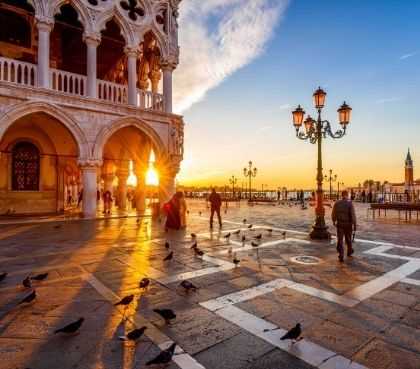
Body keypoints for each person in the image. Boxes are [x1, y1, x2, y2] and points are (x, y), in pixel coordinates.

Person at [332, 190, 357, 262]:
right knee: (348, 239)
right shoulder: (350, 203)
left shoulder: (337, 203)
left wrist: (334, 221)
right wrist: (354, 225)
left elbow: (333, 213)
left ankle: (341, 254)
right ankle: (349, 251)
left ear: (341, 195)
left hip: (340, 224)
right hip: (348, 224)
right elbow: (353, 215)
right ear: (347, 195)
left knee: (340, 239)